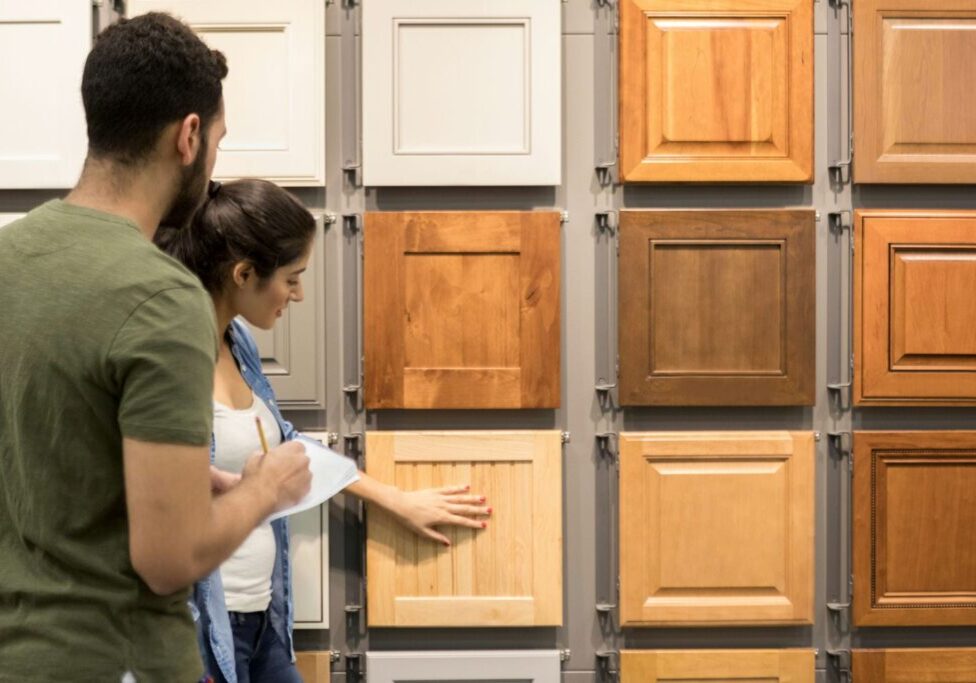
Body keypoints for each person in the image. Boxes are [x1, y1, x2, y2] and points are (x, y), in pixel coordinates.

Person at [0, 14, 313, 682]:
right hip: (121, 660)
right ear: (189, 135)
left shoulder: (9, 258)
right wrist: (264, 489)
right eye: (218, 141)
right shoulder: (164, 298)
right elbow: (169, 556)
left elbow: (45, 441)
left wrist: (172, 476)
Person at [156, 178, 492, 683]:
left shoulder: (237, 342)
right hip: (200, 634)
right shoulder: (165, 357)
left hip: (263, 619)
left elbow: (286, 445)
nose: (299, 294)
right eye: (292, 278)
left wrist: (395, 500)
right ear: (244, 274)